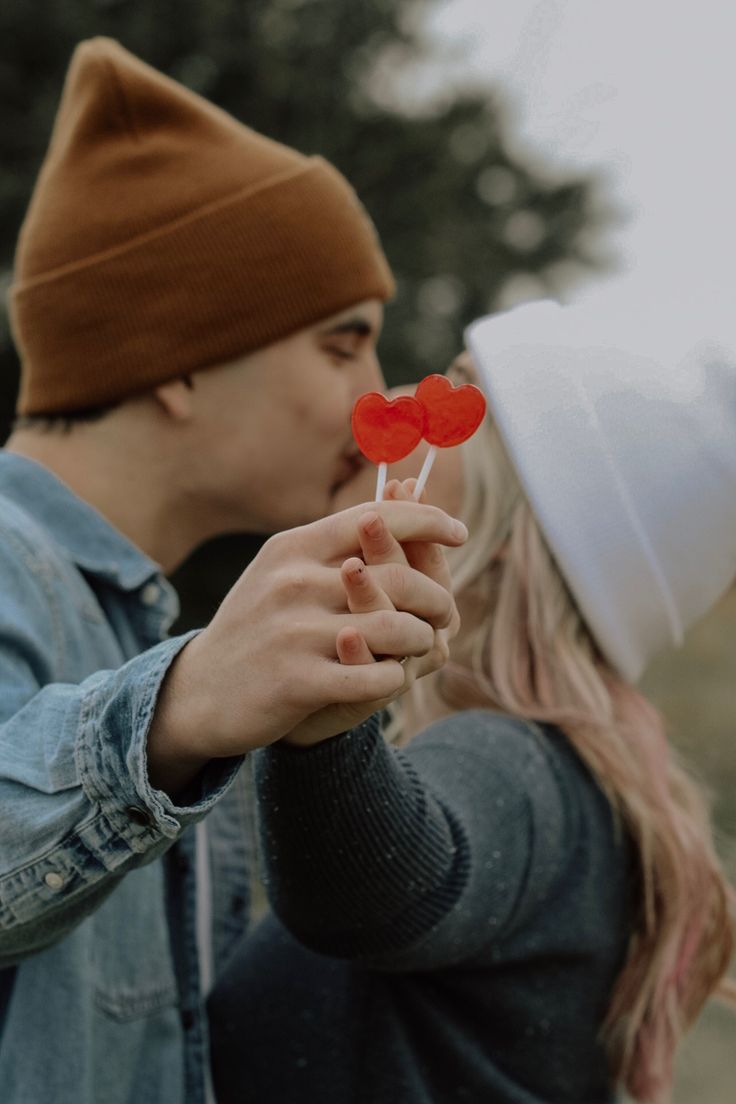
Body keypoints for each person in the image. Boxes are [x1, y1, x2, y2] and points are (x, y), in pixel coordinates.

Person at [0, 37, 467, 1104]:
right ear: (180, 353)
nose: (376, 396)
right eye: (343, 343)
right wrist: (176, 710)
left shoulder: (142, 629)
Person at [209, 296, 736, 1104]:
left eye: (459, 385)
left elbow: (378, 890)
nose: (416, 396)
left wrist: (323, 736)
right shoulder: (575, 773)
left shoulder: (516, 761)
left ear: (523, 514)